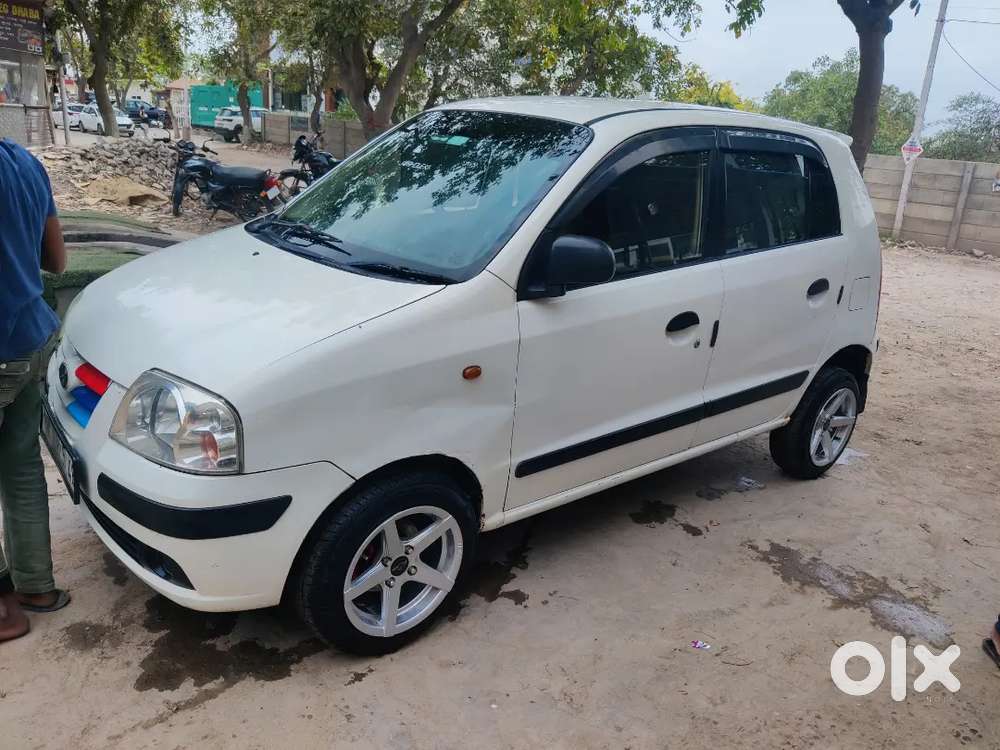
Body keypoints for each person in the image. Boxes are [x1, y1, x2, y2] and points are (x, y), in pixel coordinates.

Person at [0, 138, 69, 643]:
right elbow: (57, 262)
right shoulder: (24, 163)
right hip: (30, 339)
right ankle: (37, 588)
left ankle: (5, 613)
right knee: (20, 464)